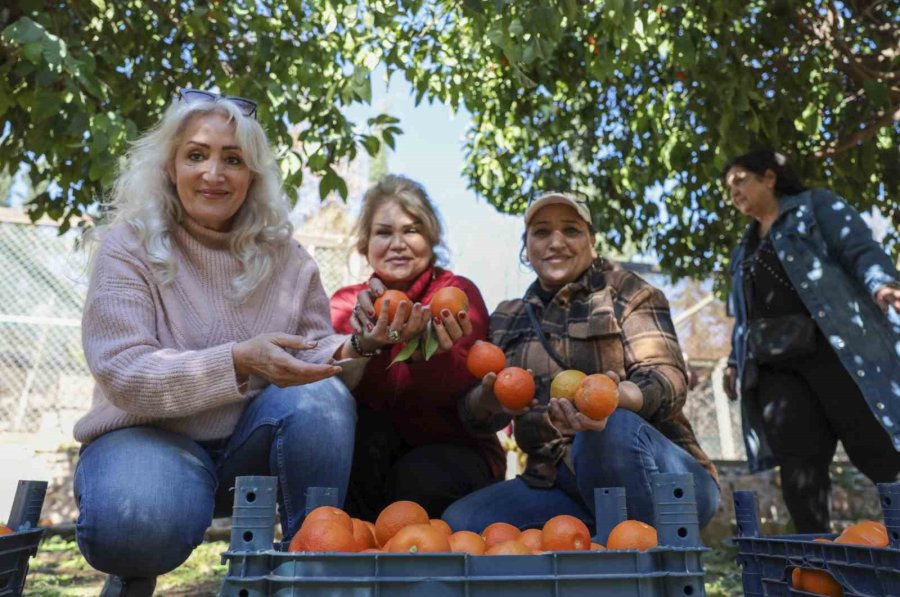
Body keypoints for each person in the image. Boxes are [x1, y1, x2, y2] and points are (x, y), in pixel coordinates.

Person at [74, 89, 371, 596]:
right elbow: (124, 373)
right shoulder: (128, 246)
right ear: (170, 166)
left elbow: (317, 356)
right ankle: (139, 562)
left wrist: (361, 345)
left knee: (323, 399)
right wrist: (236, 360)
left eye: (232, 159)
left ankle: (312, 569)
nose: (214, 173)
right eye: (197, 155)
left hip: (247, 442)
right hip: (147, 436)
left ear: (252, 175)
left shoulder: (290, 259)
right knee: (134, 526)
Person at [441, 192, 720, 533]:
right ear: (526, 247)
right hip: (555, 485)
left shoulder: (627, 292)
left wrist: (617, 397)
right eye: (541, 232)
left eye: (571, 230)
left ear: (592, 241)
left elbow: (668, 379)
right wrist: (488, 400)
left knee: (606, 427)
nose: (555, 242)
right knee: (462, 523)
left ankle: (646, 567)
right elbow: (473, 417)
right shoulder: (507, 317)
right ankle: (592, 551)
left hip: (661, 482)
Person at [721, 149, 900, 533]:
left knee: (875, 447)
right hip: (775, 371)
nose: (733, 191)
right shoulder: (744, 248)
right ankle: (820, 565)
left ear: (769, 177)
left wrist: (882, 283)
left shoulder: (814, 207)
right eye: (728, 187)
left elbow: (860, 248)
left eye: (739, 180)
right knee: (799, 467)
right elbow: (743, 316)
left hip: (832, 351)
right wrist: (735, 361)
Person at [330, 174, 505, 520]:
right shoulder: (347, 303)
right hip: (371, 452)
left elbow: (470, 394)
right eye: (384, 232)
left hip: (454, 450)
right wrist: (364, 345)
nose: (398, 243)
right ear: (365, 244)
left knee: (419, 479)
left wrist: (432, 353)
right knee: (356, 453)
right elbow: (327, 382)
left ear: (431, 238)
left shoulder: (456, 295)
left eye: (411, 230)